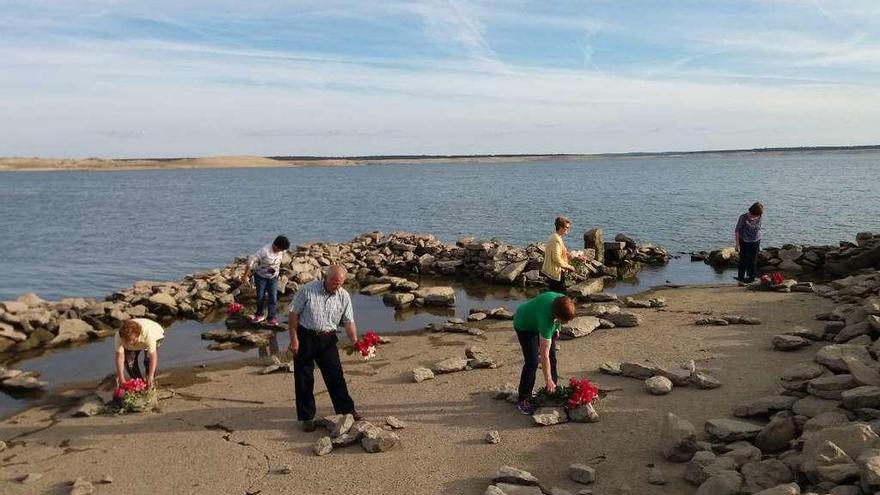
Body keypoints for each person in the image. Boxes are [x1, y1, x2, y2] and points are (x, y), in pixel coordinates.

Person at [287, 265, 362, 431]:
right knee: (304, 378)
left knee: (336, 375)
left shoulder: (343, 296)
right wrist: (294, 338)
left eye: (340, 283)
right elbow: (293, 313)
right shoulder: (307, 290)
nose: (337, 287)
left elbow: (349, 321)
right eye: (334, 283)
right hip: (305, 336)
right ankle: (307, 417)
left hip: (328, 339)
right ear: (326, 278)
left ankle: (346, 410)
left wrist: (354, 341)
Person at [512, 291, 576, 415]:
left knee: (553, 357)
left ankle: (553, 389)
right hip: (524, 324)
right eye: (563, 321)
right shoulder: (546, 321)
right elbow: (544, 355)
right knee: (532, 362)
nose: (566, 324)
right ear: (556, 316)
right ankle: (523, 399)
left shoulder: (561, 300)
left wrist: (557, 328)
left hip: (539, 318)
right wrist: (547, 379)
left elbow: (549, 356)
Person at [240, 235, 290, 325]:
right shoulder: (264, 251)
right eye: (281, 249)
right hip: (260, 277)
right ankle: (259, 314)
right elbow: (250, 262)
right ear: (276, 245)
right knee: (260, 297)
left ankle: (271, 318)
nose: (281, 251)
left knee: (273, 297)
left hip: (273, 277)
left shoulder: (282, 251)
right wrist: (245, 276)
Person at [114, 318, 165, 389]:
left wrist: (150, 376)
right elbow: (120, 358)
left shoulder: (147, 333)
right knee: (129, 363)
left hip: (156, 335)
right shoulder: (119, 336)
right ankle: (139, 384)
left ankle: (149, 382)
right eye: (127, 340)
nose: (129, 342)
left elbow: (153, 357)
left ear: (137, 335)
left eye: (131, 340)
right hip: (137, 340)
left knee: (148, 360)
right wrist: (121, 379)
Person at [541, 216, 575, 292]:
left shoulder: (556, 237)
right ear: (560, 227)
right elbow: (556, 258)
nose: (568, 229)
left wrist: (569, 255)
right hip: (555, 273)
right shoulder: (556, 239)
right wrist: (569, 267)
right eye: (566, 227)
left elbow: (559, 253)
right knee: (559, 296)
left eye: (569, 227)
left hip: (555, 272)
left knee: (557, 296)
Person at [735, 202, 764, 283]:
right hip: (744, 240)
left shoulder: (760, 216)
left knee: (753, 260)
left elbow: (758, 229)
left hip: (756, 240)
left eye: (757, 215)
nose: (756, 217)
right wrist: (737, 245)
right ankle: (740, 277)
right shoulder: (743, 217)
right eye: (755, 215)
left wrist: (759, 244)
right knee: (743, 260)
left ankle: (751, 278)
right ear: (751, 212)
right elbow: (737, 231)